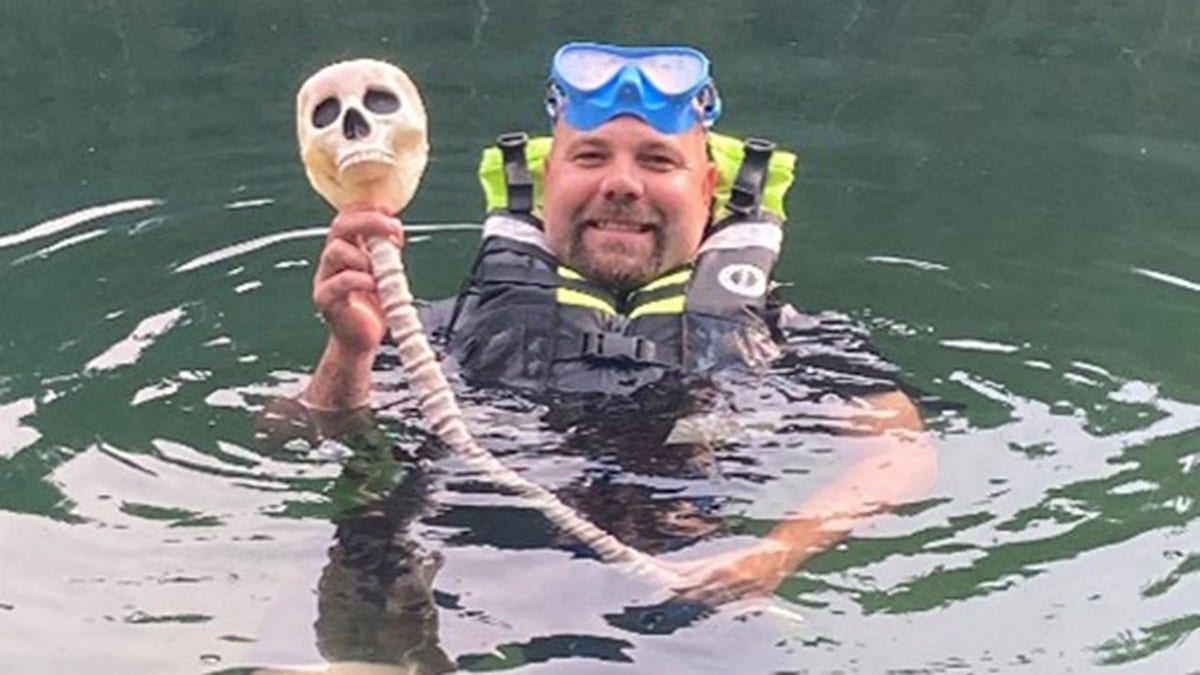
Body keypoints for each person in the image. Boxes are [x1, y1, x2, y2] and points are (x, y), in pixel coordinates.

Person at [293, 41, 936, 607]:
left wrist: (774, 553)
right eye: (592, 157)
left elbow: (902, 454)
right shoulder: (436, 334)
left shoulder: (787, 340)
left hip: (683, 609)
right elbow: (288, 434)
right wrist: (347, 352)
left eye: (657, 161)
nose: (621, 184)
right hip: (460, 597)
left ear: (708, 188)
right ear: (548, 180)